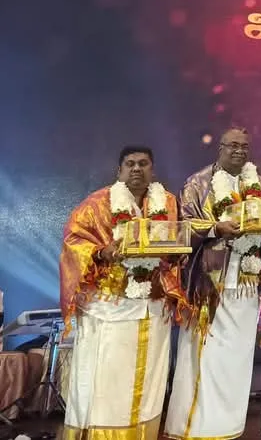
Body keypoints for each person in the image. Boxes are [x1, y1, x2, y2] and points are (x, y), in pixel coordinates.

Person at [60, 146, 187, 440]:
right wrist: (102, 252)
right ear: (119, 171)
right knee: (109, 379)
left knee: (148, 379)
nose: (136, 169)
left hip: (152, 305)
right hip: (109, 307)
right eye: (130, 164)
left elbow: (175, 241)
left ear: (152, 170)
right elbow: (73, 242)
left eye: (143, 163)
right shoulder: (96, 204)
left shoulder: (167, 202)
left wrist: (177, 253)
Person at [165, 127, 261, 440]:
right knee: (205, 354)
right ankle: (194, 428)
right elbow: (183, 227)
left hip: (247, 282)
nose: (239, 151)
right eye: (233, 145)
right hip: (210, 283)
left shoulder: (258, 183)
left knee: (238, 356)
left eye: (245, 146)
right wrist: (216, 228)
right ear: (221, 148)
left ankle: (229, 427)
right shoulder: (198, 183)